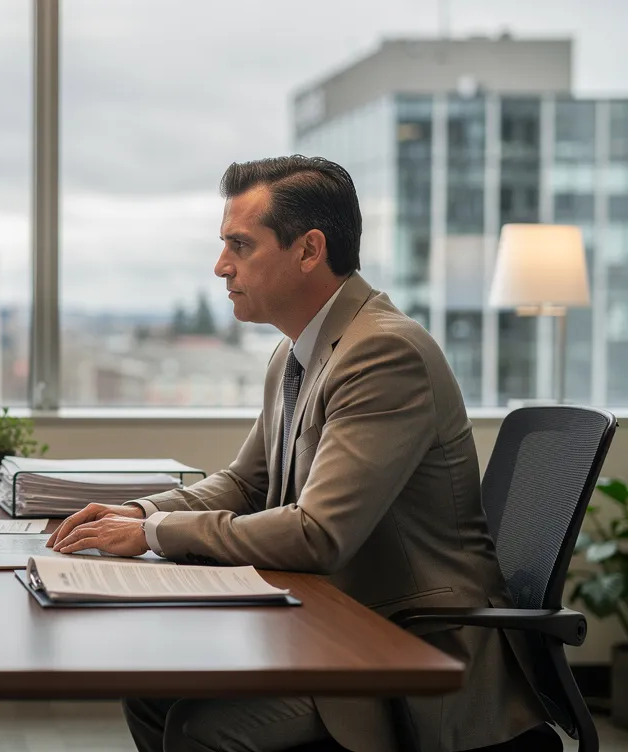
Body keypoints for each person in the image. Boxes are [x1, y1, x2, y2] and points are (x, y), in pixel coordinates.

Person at [46, 157, 548, 752]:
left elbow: (318, 534)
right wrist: (137, 512)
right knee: (154, 693)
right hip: (331, 621)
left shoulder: (384, 353)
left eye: (240, 244)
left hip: (404, 648)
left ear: (309, 250)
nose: (220, 266)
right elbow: (244, 484)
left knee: (200, 729)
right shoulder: (295, 354)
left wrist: (158, 533)